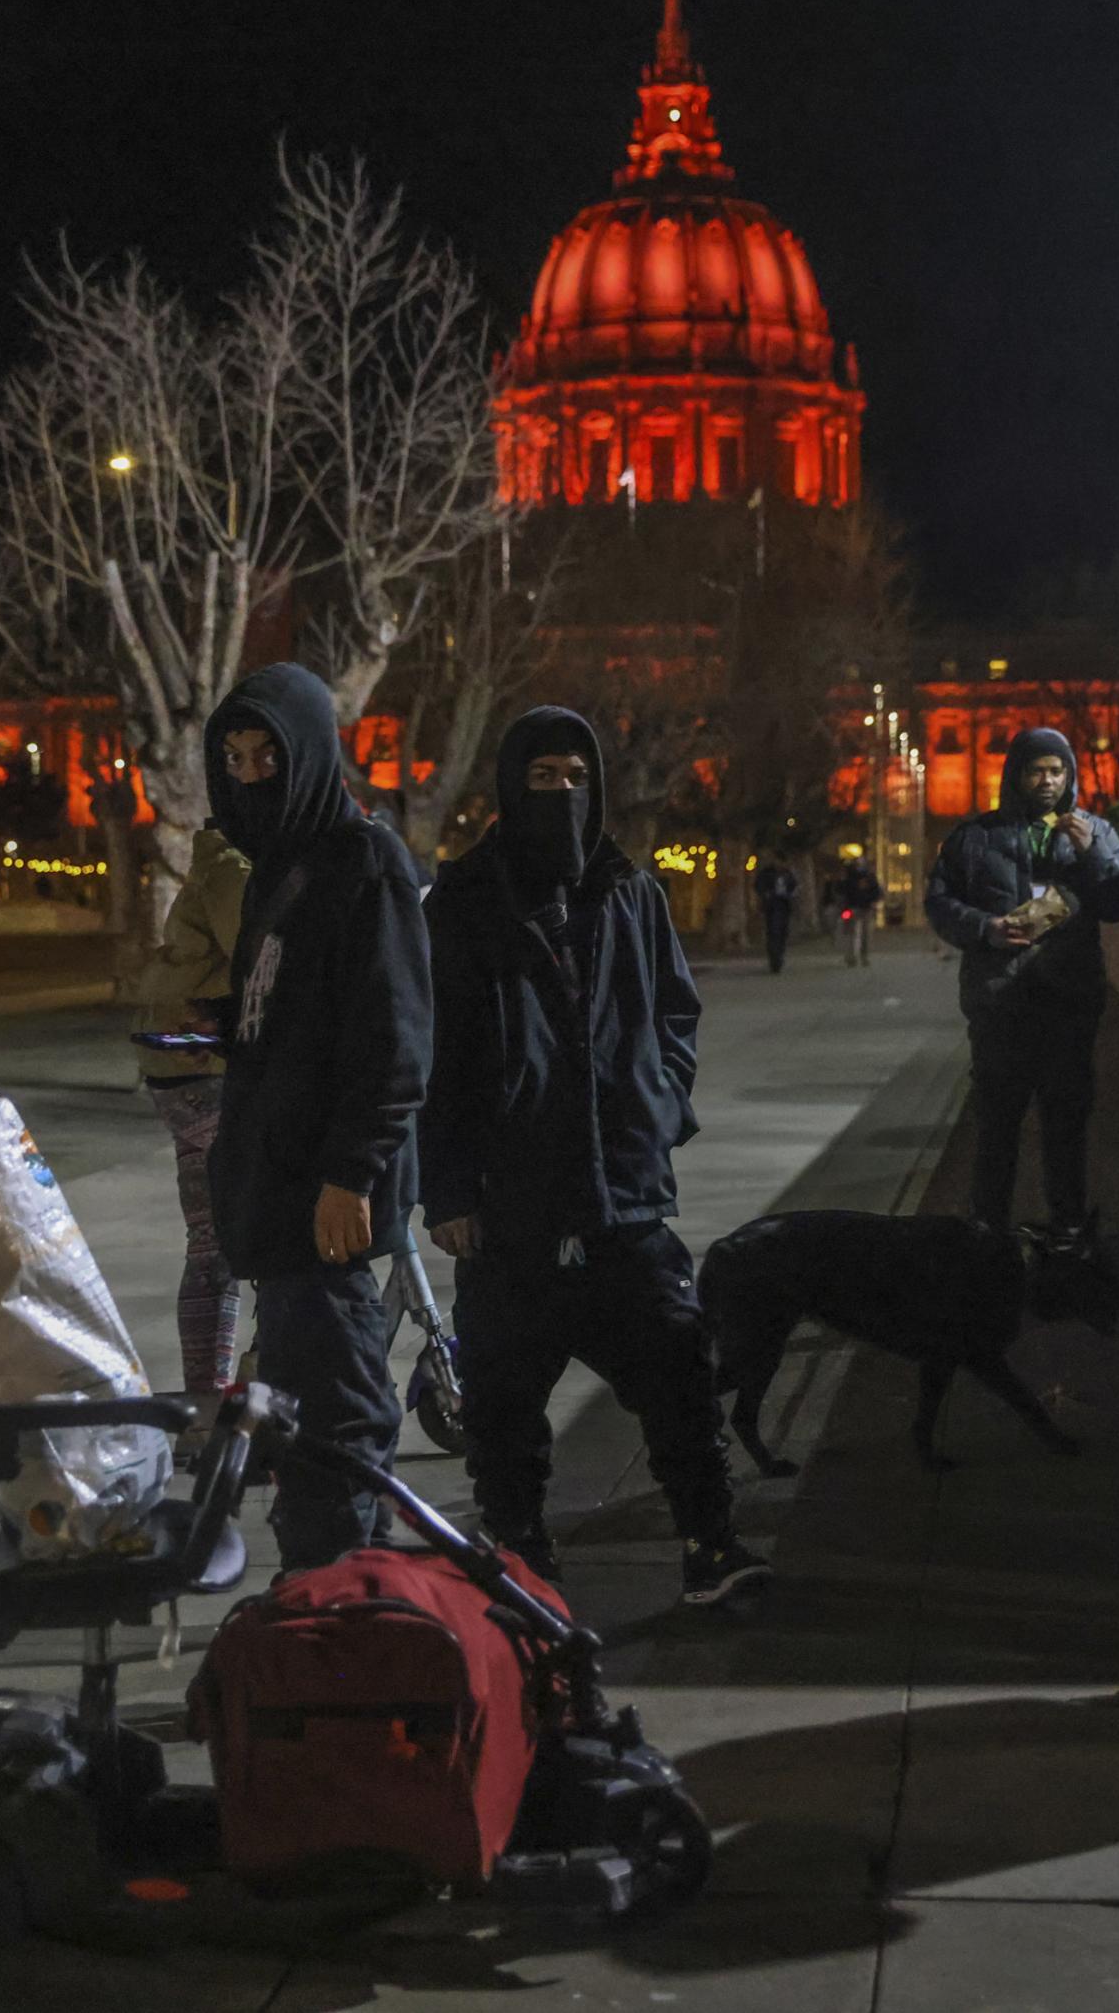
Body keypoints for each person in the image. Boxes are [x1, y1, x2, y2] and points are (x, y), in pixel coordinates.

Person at [421, 708, 768, 1605]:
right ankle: (522, 1559)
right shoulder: (464, 902)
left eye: (578, 778)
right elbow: (436, 1057)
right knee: (500, 1404)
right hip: (511, 1203)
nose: (564, 795)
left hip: (625, 1196)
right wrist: (449, 1186)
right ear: (510, 785)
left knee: (680, 1374)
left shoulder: (630, 892)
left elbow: (676, 1012)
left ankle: (710, 1544)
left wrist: (660, 1102)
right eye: (544, 779)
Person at [203, 661, 431, 1572]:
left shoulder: (362, 861)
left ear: (310, 756)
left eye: (270, 756)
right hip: (279, 1193)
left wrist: (353, 1171)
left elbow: (394, 1039)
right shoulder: (280, 870)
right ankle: (340, 1604)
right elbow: (294, 1015)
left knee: (337, 1418)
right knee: (306, 1415)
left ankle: (335, 1612)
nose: (253, 775)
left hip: (324, 1198)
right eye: (236, 758)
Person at [925, 728, 1119, 1229]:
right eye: (1035, 770)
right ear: (1016, 775)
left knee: (1066, 1128)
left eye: (1056, 770)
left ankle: (1066, 1236)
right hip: (999, 1005)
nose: (1046, 780)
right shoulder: (975, 837)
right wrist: (987, 928)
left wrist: (1092, 853)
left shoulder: (1095, 831)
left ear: (1069, 775)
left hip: (1069, 1004)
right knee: (995, 1130)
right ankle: (987, 1237)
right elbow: (938, 905)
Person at [135, 817, 249, 1396]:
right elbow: (261, 957)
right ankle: (262, 1384)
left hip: (183, 1069)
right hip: (206, 1070)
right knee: (282, 1224)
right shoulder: (235, 868)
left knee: (212, 1245)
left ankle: (207, 1406)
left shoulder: (223, 863)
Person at [828, 857, 884, 966]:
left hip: (858, 907)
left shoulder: (854, 877)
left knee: (856, 933)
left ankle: (855, 956)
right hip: (856, 907)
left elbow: (841, 891)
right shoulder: (862, 877)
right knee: (858, 933)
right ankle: (857, 956)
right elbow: (876, 891)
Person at [752, 852, 800, 975]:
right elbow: (758, 885)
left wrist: (792, 895)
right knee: (773, 931)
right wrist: (765, 893)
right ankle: (774, 959)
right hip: (772, 905)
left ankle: (779, 956)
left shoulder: (788, 873)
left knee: (783, 932)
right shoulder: (767, 873)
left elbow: (794, 886)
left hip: (784, 904)